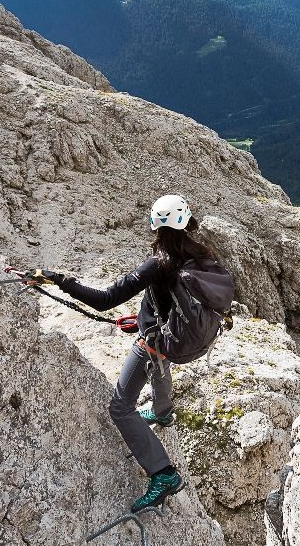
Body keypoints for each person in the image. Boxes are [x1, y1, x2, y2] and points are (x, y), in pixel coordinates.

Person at [27, 194, 217, 512]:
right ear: (186, 222)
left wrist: (58, 280)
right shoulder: (200, 255)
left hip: (154, 344)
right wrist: (143, 318)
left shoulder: (158, 263)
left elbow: (105, 299)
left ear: (156, 226)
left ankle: (163, 472)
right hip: (185, 339)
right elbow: (175, 300)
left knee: (120, 408)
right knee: (159, 358)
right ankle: (161, 411)